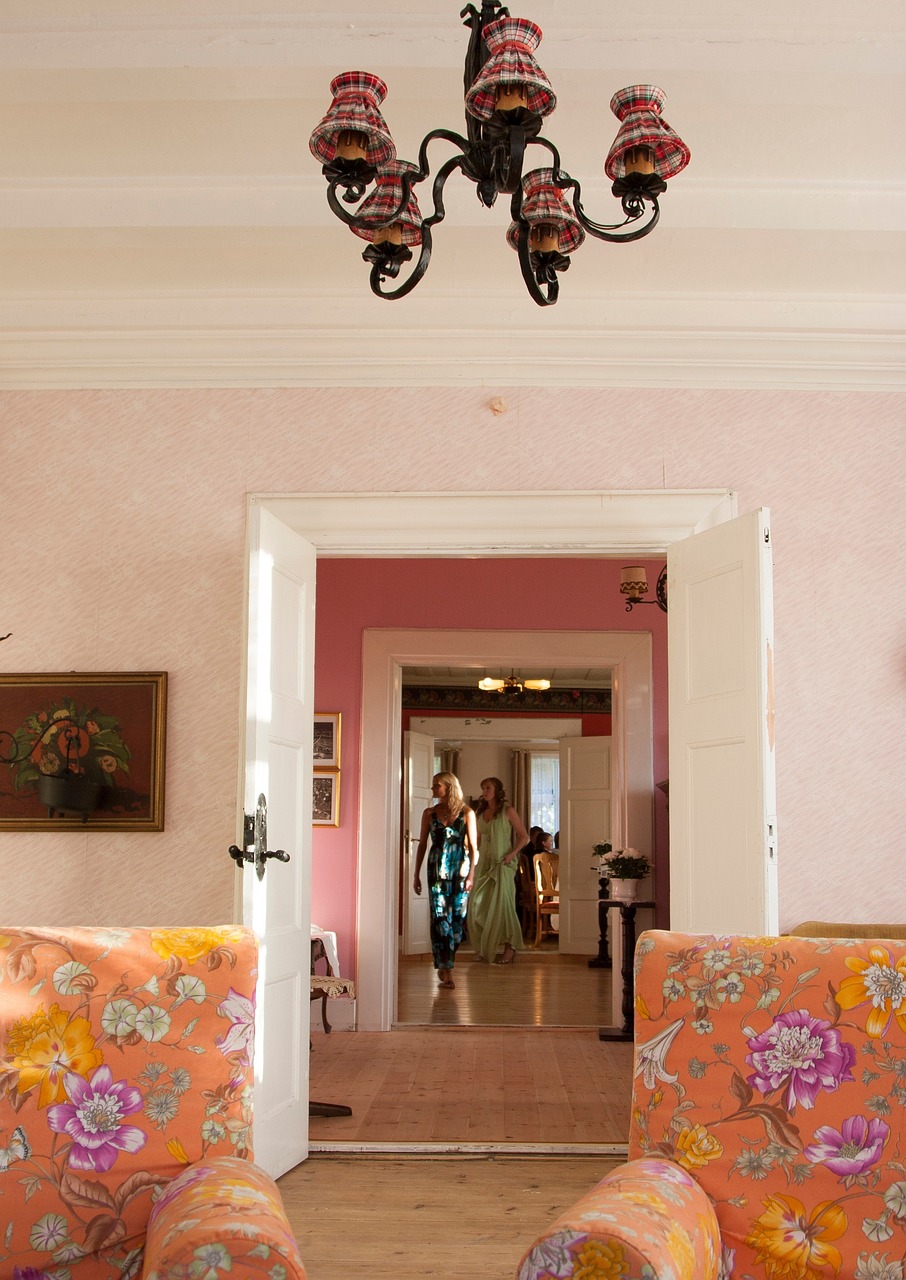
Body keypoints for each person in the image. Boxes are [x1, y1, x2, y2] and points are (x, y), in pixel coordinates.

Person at [412, 772, 478, 990]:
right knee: (440, 918)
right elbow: (422, 844)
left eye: (436, 785)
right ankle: (446, 967)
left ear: (448, 787)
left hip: (460, 870)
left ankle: (446, 961)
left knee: (457, 920)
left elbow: (473, 848)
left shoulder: (467, 813)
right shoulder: (429, 813)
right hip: (436, 871)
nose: (433, 789)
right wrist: (415, 874)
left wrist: (471, 875)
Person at [468, 776, 529, 965]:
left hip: (503, 864)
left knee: (504, 906)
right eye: (483, 788)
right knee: (478, 905)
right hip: (484, 864)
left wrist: (512, 854)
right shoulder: (480, 812)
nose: (485, 791)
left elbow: (524, 836)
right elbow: (477, 840)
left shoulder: (507, 811)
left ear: (497, 790)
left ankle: (510, 947)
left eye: (488, 788)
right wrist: (470, 861)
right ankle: (485, 947)